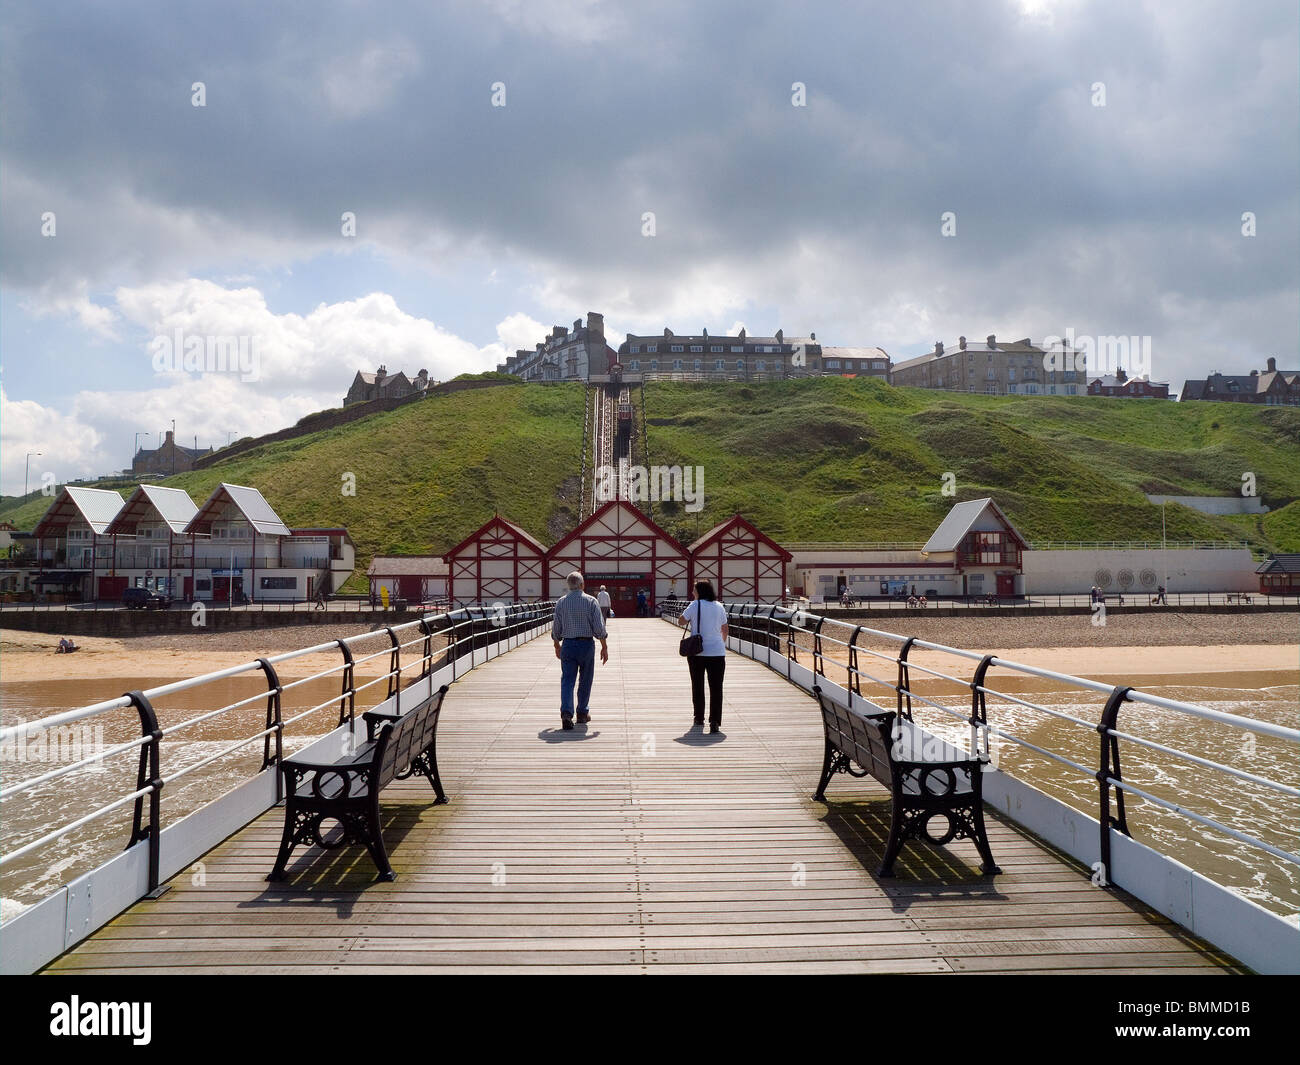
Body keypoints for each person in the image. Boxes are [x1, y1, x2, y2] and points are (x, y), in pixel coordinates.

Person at [551, 571, 609, 731]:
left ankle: (566, 714)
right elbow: (599, 627)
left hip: (568, 645)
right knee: (585, 679)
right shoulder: (591, 601)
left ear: (568, 586)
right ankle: (582, 713)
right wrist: (604, 645)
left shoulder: (561, 602)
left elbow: (556, 628)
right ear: (582, 585)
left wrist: (557, 645)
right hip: (586, 645)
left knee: (567, 680)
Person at [678, 580, 729, 733]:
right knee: (716, 688)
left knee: (698, 685)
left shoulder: (695, 605)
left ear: (699, 591)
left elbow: (681, 621)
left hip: (697, 652)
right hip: (718, 653)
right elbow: (725, 629)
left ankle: (699, 718)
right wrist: (721, 644)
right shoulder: (719, 606)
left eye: (694, 590)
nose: (692, 592)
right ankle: (714, 721)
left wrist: (692, 612)